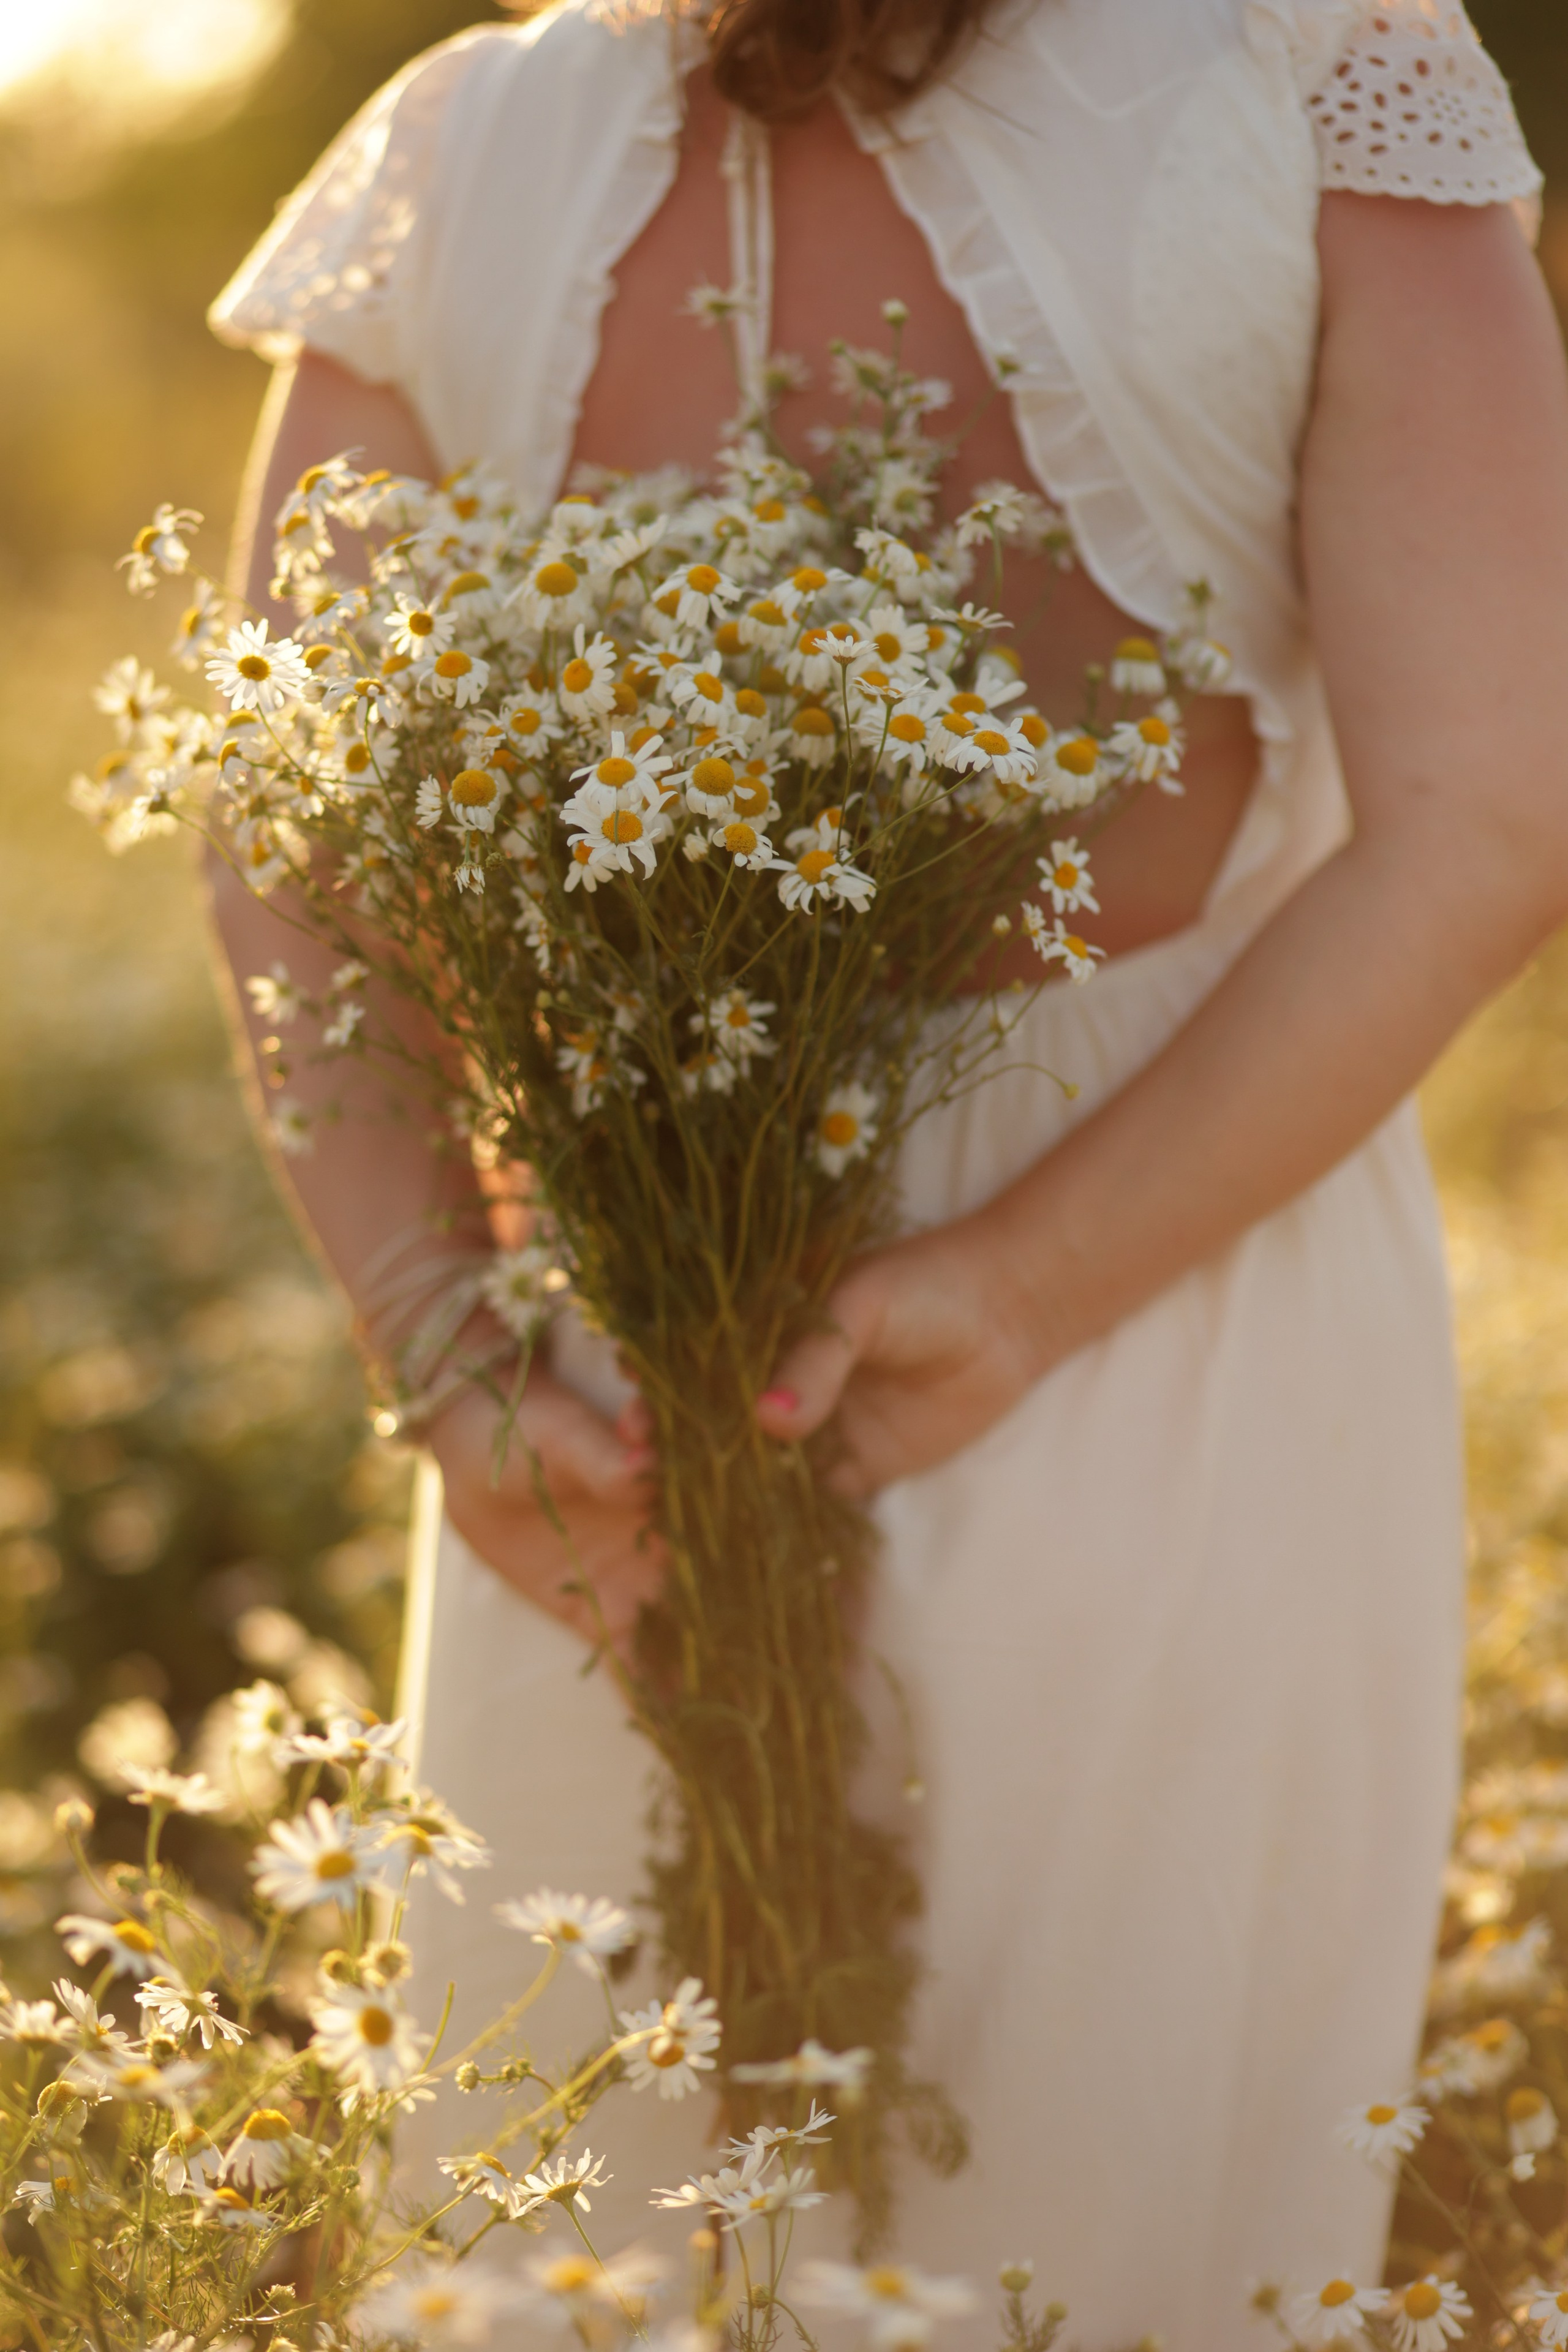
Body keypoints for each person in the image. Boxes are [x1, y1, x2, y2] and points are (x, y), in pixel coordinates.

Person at [205, 0, 1568, 2340]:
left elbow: (282, 849)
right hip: (788, 1311)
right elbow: (1497, 801)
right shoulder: (1301, 58)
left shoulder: (467, 138)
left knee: (654, 2224)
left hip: (958, 1317)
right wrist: (469, 1336)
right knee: (904, 2226)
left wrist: (447, 1328)